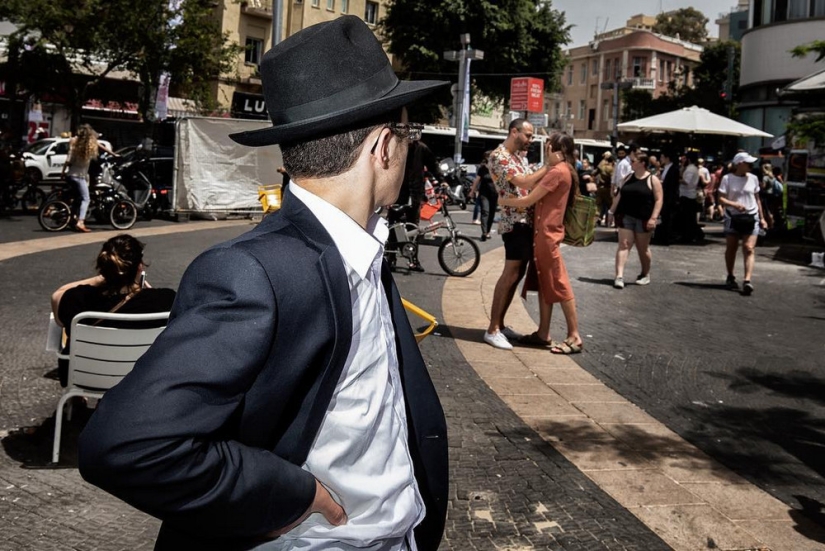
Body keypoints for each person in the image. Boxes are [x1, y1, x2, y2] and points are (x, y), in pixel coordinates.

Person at [78, 16, 449, 551]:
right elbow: (128, 445)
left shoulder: (363, 247)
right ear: (384, 147)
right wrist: (291, 495)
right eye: (409, 134)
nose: (410, 150)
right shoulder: (253, 271)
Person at [50, 234, 176, 387]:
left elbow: (57, 296)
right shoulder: (164, 300)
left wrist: (99, 279)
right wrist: (149, 292)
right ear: (139, 266)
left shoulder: (78, 298)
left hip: (84, 377)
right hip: (137, 380)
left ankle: (77, 400)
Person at [497, 133, 584, 354]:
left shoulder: (557, 171)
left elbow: (528, 198)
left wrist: (503, 201)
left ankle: (574, 336)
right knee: (547, 284)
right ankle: (543, 332)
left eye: (547, 147)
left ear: (555, 149)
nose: (545, 151)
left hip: (547, 235)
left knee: (559, 283)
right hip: (544, 234)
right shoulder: (563, 170)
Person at [483, 118, 550, 350]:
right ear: (514, 132)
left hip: (524, 222)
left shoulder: (519, 157)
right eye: (528, 135)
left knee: (517, 273)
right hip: (514, 223)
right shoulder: (498, 156)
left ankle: (499, 324)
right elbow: (524, 181)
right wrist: (549, 166)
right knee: (510, 274)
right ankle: (492, 329)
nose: (531, 140)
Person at [608, 152, 663, 289]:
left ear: (642, 163)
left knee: (642, 248)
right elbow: (619, 195)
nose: (631, 163)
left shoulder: (652, 180)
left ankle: (645, 273)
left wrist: (654, 218)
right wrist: (611, 211)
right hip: (627, 216)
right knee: (624, 244)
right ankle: (619, 276)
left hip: (644, 218)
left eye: (634, 161)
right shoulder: (628, 177)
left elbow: (659, 200)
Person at [718, 152, 768, 296]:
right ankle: (730, 275)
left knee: (749, 248)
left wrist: (762, 217)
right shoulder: (727, 179)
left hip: (751, 216)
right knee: (731, 248)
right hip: (733, 216)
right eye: (748, 163)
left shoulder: (753, 178)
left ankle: (747, 280)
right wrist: (734, 204)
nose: (751, 165)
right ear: (739, 164)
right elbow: (721, 199)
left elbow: (757, 199)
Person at [60, 124, 118, 232]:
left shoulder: (75, 144)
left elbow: (68, 161)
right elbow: (102, 147)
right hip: (79, 177)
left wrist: (63, 173)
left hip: (70, 175)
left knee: (78, 198)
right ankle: (81, 222)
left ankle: (72, 218)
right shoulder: (89, 146)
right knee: (86, 198)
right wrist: (114, 154)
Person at [652, 150, 680, 245]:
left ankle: (666, 238)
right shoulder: (665, 168)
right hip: (665, 197)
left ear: (667, 158)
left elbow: (672, 185)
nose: (660, 159)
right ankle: (663, 237)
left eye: (662, 157)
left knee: (668, 218)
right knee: (665, 217)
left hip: (669, 198)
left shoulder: (673, 169)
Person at [469, 150, 498, 241]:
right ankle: (484, 233)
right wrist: (472, 191)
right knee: (485, 211)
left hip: (495, 194)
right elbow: (476, 181)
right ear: (486, 158)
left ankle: (488, 231)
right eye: (490, 157)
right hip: (484, 194)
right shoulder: (482, 169)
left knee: (492, 213)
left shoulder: (497, 168)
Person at [677, 151, 702, 243]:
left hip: (687, 195)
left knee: (688, 218)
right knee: (689, 218)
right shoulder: (692, 168)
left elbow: (686, 181)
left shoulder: (691, 169)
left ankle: (690, 235)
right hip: (688, 194)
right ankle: (690, 234)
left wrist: (678, 179)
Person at [596, 151, 614, 226]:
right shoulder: (611, 167)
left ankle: (597, 220)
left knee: (598, 205)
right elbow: (612, 178)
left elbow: (596, 172)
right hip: (607, 188)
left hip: (600, 187)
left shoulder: (601, 164)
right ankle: (608, 221)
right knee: (610, 205)